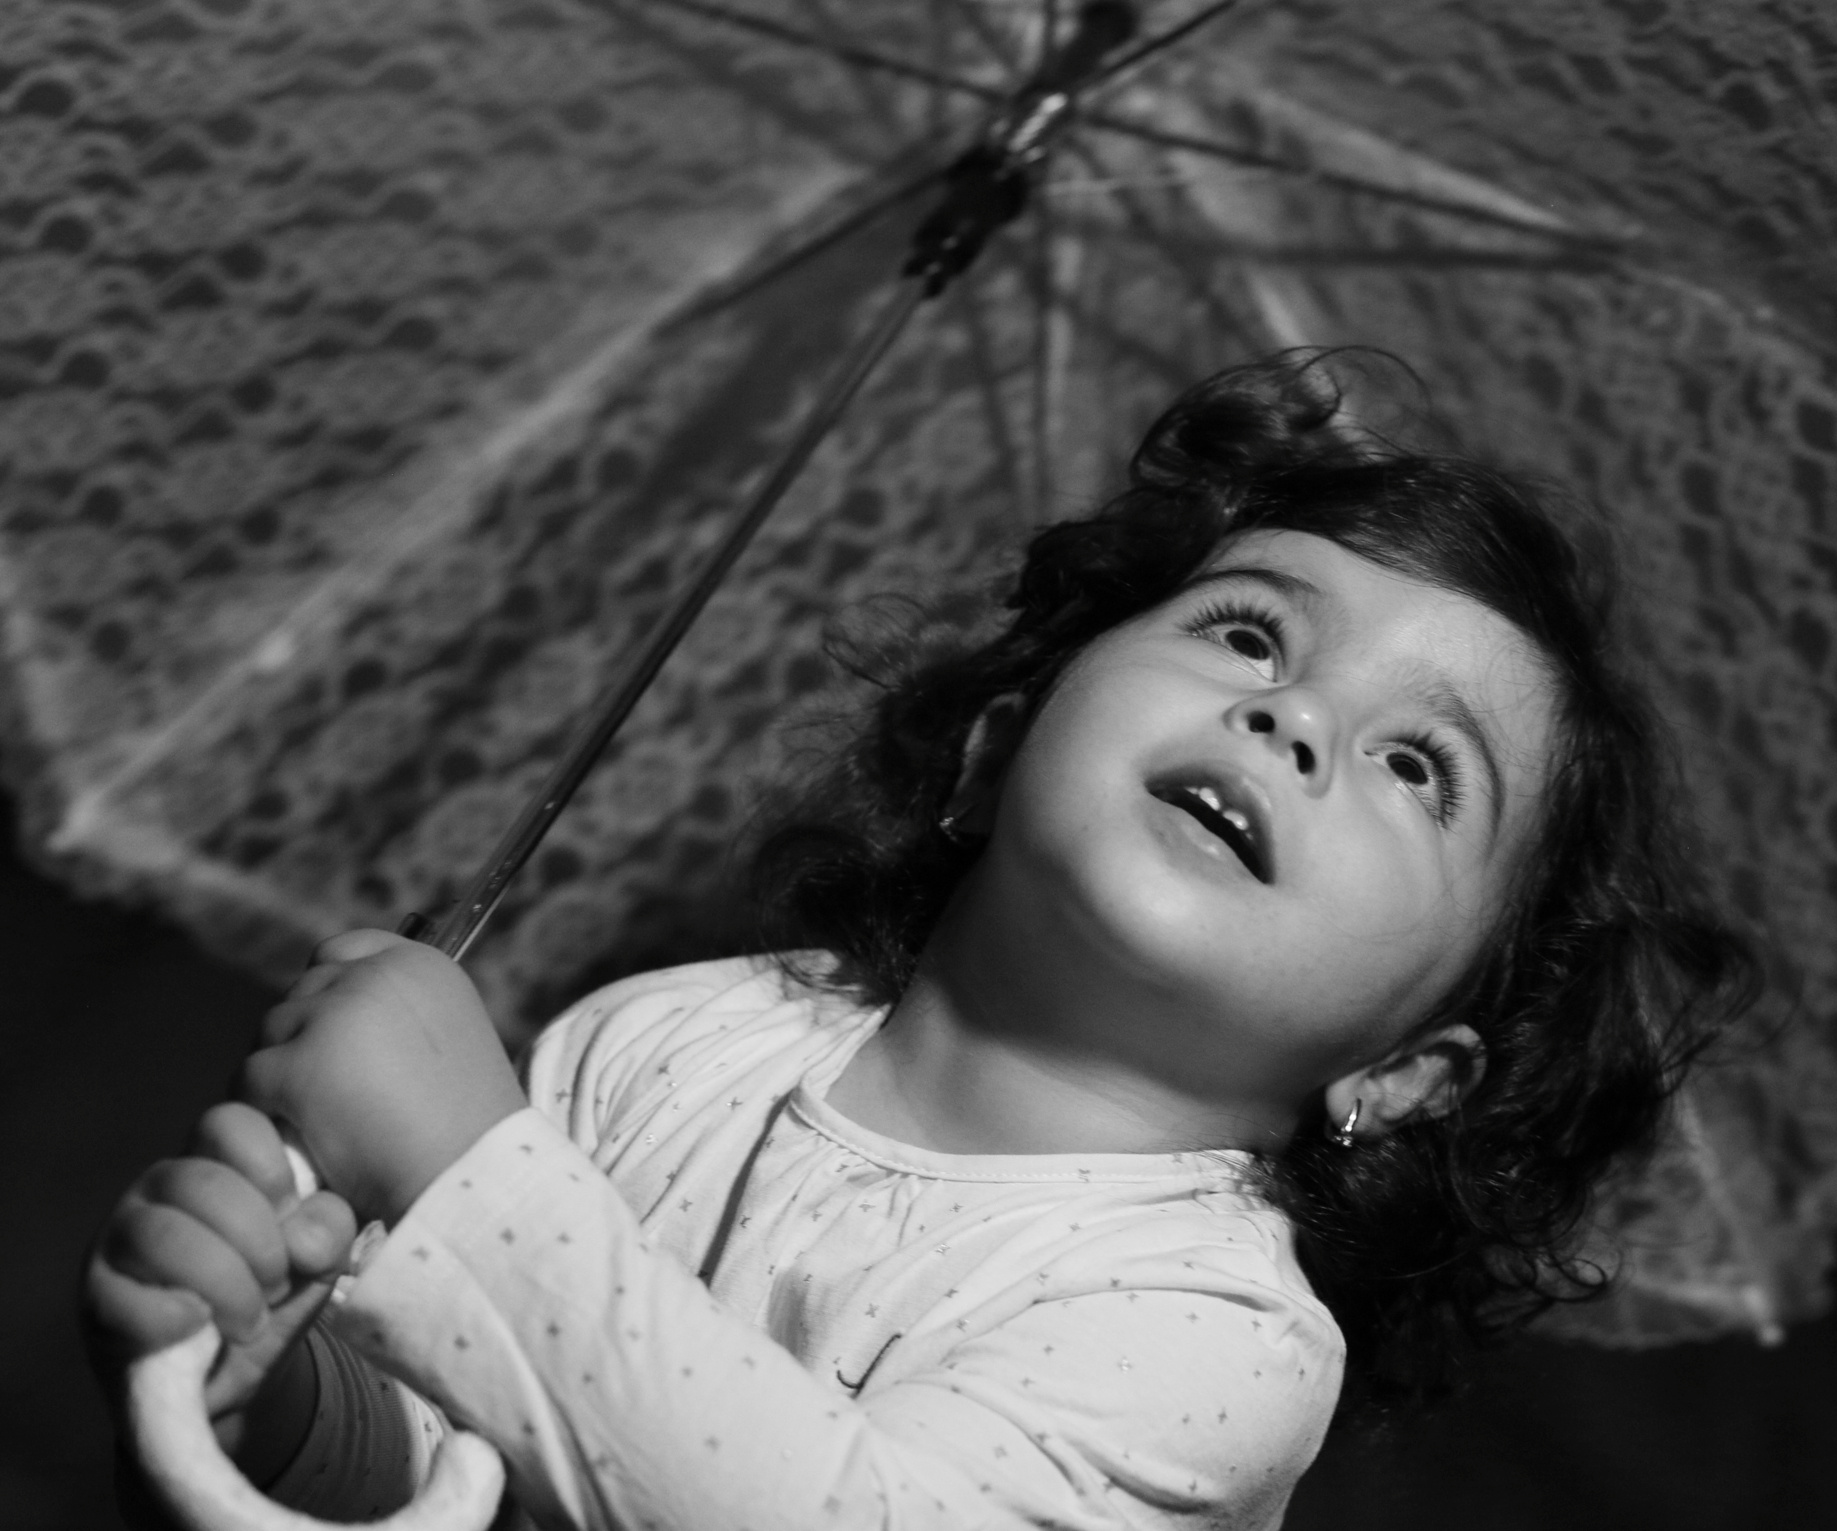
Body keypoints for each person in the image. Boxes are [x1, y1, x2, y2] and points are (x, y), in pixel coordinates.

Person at [84, 353, 1752, 1530]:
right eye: (1249, 630)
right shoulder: (659, 1038)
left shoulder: (1211, 1341)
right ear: (991, 748)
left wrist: (461, 1160)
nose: (1295, 715)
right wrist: (283, 1403)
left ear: (1403, 1076)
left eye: (1417, 765)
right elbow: (493, 1459)